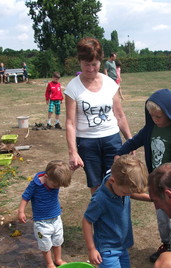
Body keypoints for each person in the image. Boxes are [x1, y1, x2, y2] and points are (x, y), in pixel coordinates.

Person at [116, 89, 171, 263]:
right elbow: (133, 142)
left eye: (158, 116)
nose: (155, 119)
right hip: (156, 183)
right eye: (151, 116)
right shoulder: (149, 129)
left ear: (168, 113)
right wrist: (119, 153)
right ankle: (166, 245)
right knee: (162, 218)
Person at [64, 37, 132, 194]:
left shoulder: (109, 83)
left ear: (100, 62)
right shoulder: (72, 87)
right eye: (86, 64)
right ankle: (100, 218)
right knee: (96, 186)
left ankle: (117, 217)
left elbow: (119, 115)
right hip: (87, 144)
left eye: (94, 64)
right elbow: (70, 123)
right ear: (80, 62)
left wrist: (130, 140)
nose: (90, 69)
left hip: (112, 140)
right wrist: (73, 152)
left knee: (118, 182)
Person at [82, 155, 149, 268]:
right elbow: (87, 221)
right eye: (125, 193)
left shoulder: (118, 183)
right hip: (107, 250)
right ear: (113, 181)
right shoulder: (100, 199)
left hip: (121, 246)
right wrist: (91, 249)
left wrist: (151, 198)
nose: (127, 195)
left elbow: (132, 193)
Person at [18, 160, 72, 268]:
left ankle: (58, 259)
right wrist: (21, 211)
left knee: (58, 241)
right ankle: (50, 263)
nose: (55, 188)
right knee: (45, 245)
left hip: (56, 218)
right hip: (41, 222)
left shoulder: (55, 179)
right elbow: (25, 197)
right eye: (54, 185)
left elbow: (63, 177)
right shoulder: (35, 185)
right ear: (46, 177)